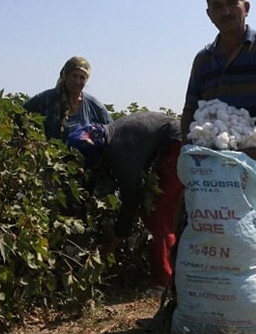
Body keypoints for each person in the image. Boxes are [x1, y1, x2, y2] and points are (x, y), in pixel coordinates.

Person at [180, 0, 256, 240]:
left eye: (232, 2)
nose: (226, 11)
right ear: (209, 14)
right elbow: (189, 109)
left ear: (246, 6)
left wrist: (255, 153)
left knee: (254, 238)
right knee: (212, 237)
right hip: (214, 164)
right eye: (217, 6)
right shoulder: (203, 59)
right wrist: (190, 154)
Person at [66, 111, 184, 289]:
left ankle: (163, 280)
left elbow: (131, 200)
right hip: (170, 143)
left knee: (157, 215)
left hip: (176, 148)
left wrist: (115, 239)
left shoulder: (122, 154)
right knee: (161, 213)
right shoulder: (108, 133)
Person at [24, 56, 112, 141]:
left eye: (82, 78)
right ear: (65, 76)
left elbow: (112, 132)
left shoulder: (94, 105)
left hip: (83, 156)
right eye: (74, 76)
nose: (77, 81)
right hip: (52, 155)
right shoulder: (46, 99)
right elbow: (20, 114)